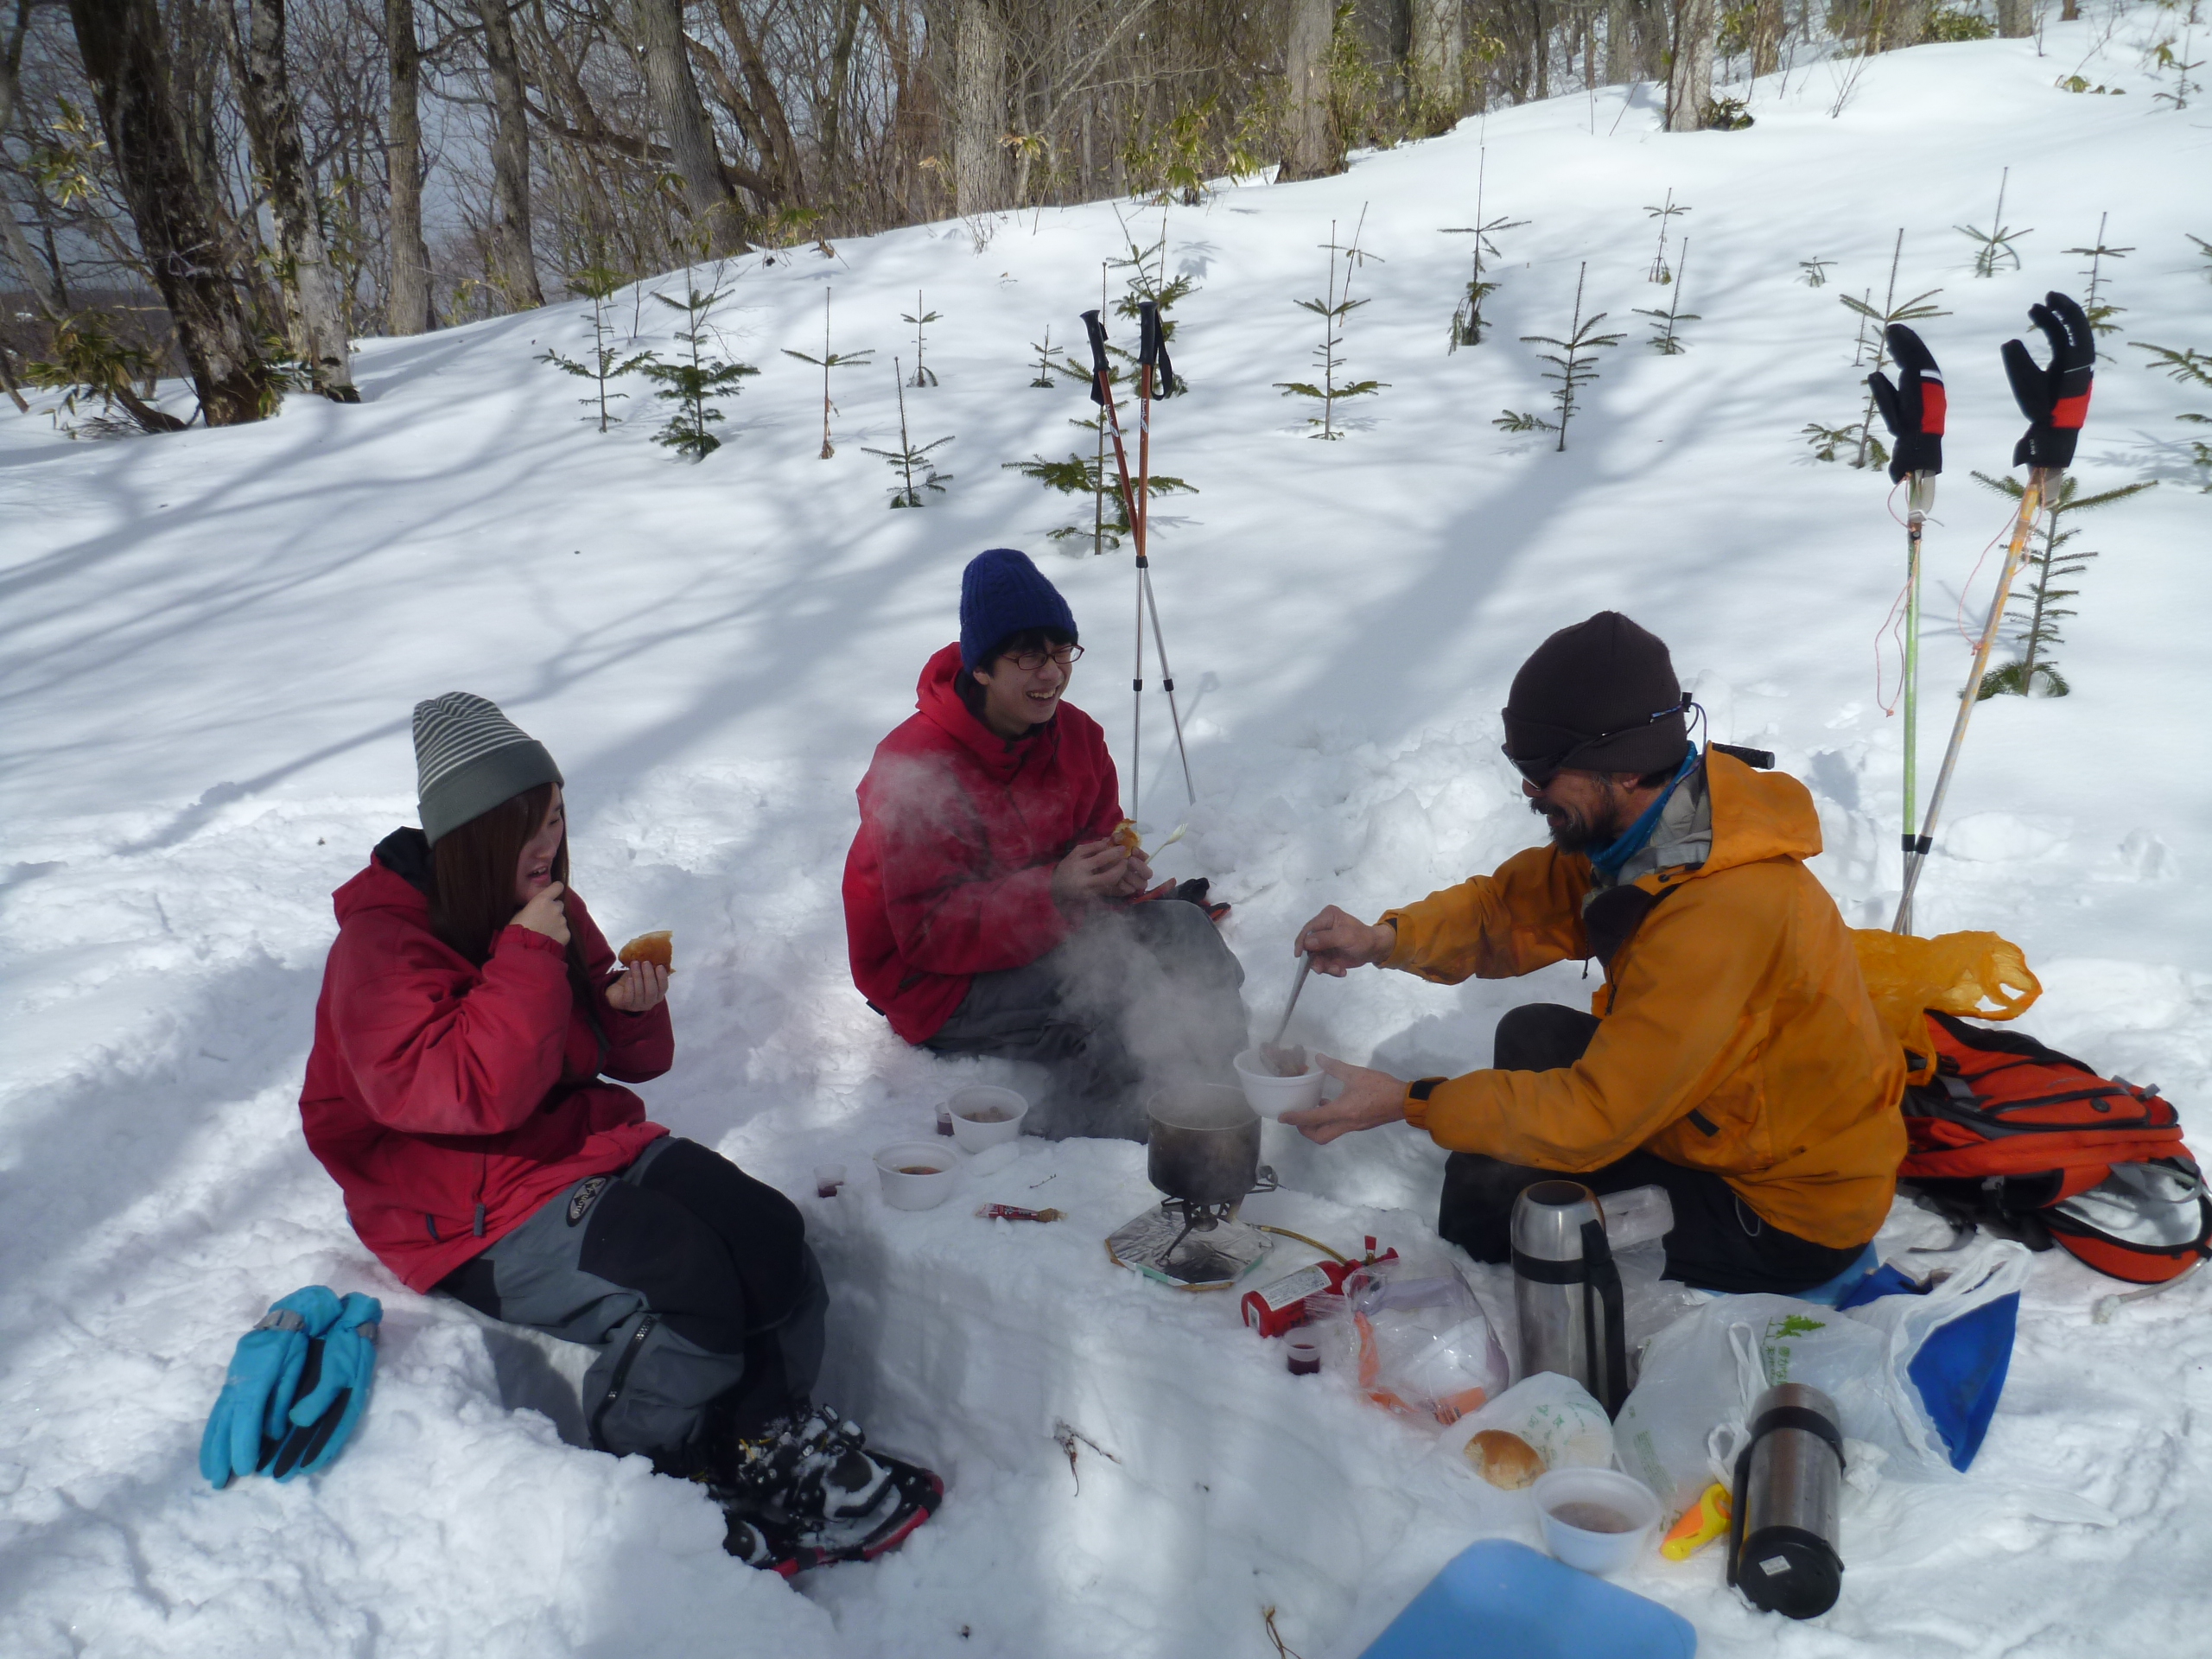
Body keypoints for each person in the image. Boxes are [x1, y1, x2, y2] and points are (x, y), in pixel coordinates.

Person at [298, 692, 939, 1573]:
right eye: (526, 826)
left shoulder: (545, 904)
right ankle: (654, 1472)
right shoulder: (380, 951)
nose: (548, 844)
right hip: (458, 1208)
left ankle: (765, 1438)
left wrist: (627, 1010)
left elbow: (613, 1054)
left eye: (556, 818)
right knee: (685, 1279)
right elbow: (462, 1093)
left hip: (575, 1150)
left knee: (766, 1236)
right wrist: (525, 956)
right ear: (471, 836)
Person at [1284, 613, 1905, 1294]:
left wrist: (1410, 1102)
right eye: (1521, 766)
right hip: (1728, 1115)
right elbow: (1508, 908)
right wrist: (1383, 939)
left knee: (1491, 1192)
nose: (1529, 788)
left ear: (1624, 766)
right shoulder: (1662, 829)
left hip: (1782, 1208)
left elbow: (1593, 1120)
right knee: (1533, 1034)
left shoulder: (1720, 913)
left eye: (1544, 769)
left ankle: (1485, 1320)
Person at [843, 547, 1247, 1141]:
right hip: (932, 983)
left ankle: (1228, 1108)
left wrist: (1118, 877)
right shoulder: (915, 768)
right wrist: (1054, 889)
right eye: (1029, 656)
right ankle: (1138, 1156)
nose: (1053, 673)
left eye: (1061, 651)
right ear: (982, 667)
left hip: (1046, 936)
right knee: (1108, 998)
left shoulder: (1078, 737)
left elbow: (1100, 839)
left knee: (1187, 933)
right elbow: (927, 933)